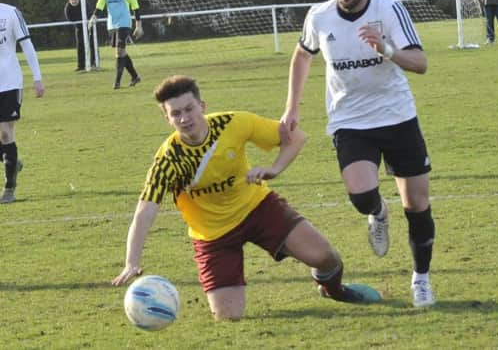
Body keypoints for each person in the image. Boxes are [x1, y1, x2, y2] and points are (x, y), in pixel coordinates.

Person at [111, 75, 381, 321]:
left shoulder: (232, 123)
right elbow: (145, 211)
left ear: (202, 106)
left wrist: (274, 168)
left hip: (258, 209)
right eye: (176, 113)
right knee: (228, 317)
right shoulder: (168, 160)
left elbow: (295, 137)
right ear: (167, 119)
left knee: (327, 258)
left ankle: (333, 290)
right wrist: (132, 261)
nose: (184, 118)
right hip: (212, 237)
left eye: (189, 109)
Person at [280, 0, 436, 308]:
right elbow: (302, 56)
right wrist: (292, 108)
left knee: (417, 205)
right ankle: (378, 213)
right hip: (349, 120)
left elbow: (421, 62)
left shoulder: (390, 8)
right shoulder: (318, 16)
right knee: (362, 196)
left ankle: (421, 279)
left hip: (398, 117)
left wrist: (387, 50)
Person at [0, 3, 45, 204]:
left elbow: (26, 44)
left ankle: (9, 188)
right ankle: (11, 160)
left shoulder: (10, 13)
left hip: (9, 82)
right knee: (5, 138)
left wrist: (37, 78)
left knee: (5, 133)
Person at [89, 0, 142, 89]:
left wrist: (138, 26)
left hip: (124, 24)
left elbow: (136, 8)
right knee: (121, 52)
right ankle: (135, 76)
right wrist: (93, 17)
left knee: (119, 51)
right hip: (112, 24)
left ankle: (117, 82)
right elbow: (100, 6)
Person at [64, 0, 97, 71]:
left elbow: (90, 14)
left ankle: (94, 63)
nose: (74, 1)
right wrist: (79, 21)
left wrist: (88, 23)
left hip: (88, 26)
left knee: (92, 45)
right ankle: (80, 65)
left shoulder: (84, 4)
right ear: (69, 0)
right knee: (80, 46)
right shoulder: (68, 7)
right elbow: (69, 18)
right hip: (79, 28)